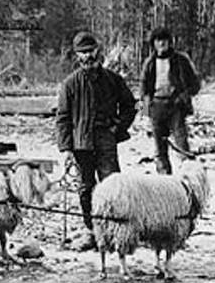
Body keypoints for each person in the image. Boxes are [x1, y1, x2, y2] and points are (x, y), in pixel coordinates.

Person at [56, 31, 138, 251]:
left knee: (112, 186)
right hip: (81, 145)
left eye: (90, 51)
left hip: (105, 142)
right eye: (82, 53)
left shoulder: (113, 80)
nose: (87, 57)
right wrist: (65, 149)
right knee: (85, 189)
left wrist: (117, 128)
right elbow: (62, 118)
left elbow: (131, 107)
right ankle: (92, 229)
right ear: (77, 56)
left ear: (98, 51)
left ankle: (114, 231)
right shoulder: (70, 84)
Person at [139, 27, 201, 174]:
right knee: (159, 148)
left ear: (170, 42)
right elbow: (143, 90)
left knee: (182, 144)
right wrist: (144, 112)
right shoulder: (149, 63)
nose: (162, 44)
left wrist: (183, 97)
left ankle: (189, 177)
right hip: (156, 107)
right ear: (153, 43)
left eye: (165, 40)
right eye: (158, 40)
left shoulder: (181, 60)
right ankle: (164, 180)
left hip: (176, 107)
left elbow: (196, 84)